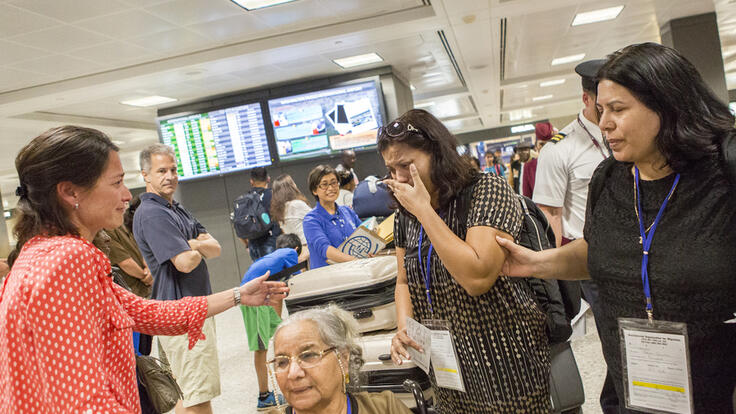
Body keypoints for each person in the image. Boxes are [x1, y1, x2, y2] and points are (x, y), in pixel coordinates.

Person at [497, 42, 736, 413]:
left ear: (666, 105)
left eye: (619, 109)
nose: (604, 122)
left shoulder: (723, 172)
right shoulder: (609, 179)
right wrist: (534, 263)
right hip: (637, 383)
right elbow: (600, 249)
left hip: (718, 390)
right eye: (602, 109)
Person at [0, 125, 288, 413]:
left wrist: (238, 295)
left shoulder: (40, 254)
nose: (127, 195)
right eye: (116, 183)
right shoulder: (67, 260)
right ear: (69, 192)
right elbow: (86, 401)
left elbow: (146, 312)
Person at [381, 109, 550, 412]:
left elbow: (477, 278)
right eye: (392, 169)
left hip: (505, 358)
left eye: (406, 165)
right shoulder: (404, 214)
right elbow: (404, 280)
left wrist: (424, 212)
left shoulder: (486, 190)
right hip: (447, 364)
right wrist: (403, 326)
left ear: (436, 154)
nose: (399, 178)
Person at [133, 143, 224, 414]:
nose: (170, 176)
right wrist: (196, 245)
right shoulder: (152, 214)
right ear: (145, 175)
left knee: (189, 392)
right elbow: (184, 263)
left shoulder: (175, 208)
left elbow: (216, 247)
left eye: (173, 169)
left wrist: (191, 244)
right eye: (161, 170)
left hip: (194, 309)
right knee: (198, 396)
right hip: (181, 315)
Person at [270, 304, 413, 414]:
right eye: (282, 362)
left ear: (343, 359)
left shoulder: (385, 408)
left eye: (308, 355)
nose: (293, 373)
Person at [240, 233, 302, 411]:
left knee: (282, 333)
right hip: (252, 300)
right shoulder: (290, 252)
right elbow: (297, 279)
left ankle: (287, 380)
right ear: (296, 249)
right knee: (261, 348)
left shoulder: (274, 256)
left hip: (261, 299)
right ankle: (264, 396)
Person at [303, 165, 362, 269]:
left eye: (334, 183)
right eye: (324, 185)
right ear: (314, 190)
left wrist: (370, 251)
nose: (330, 188)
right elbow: (325, 249)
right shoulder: (311, 220)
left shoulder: (347, 211)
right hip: (329, 277)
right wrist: (356, 261)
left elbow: (363, 235)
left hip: (355, 270)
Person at [106, 195, 152, 298]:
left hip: (145, 288)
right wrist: (146, 277)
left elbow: (140, 248)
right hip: (132, 291)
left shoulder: (123, 224)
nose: (127, 197)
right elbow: (125, 262)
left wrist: (148, 268)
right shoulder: (106, 229)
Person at [237, 167, 282, 262]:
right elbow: (281, 220)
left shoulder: (244, 199)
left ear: (251, 181)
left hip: (253, 246)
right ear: (268, 179)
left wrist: (247, 244)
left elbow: (238, 225)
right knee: (278, 274)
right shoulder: (273, 195)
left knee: (262, 275)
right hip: (272, 242)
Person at [270, 174, 311, 262]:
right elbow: (317, 217)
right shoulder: (296, 205)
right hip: (308, 248)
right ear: (290, 187)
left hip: (296, 251)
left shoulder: (280, 211)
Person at [522, 122, 554, 198]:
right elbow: (527, 197)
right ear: (536, 146)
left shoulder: (562, 162)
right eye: (542, 144)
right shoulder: (529, 167)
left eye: (548, 144)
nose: (545, 148)